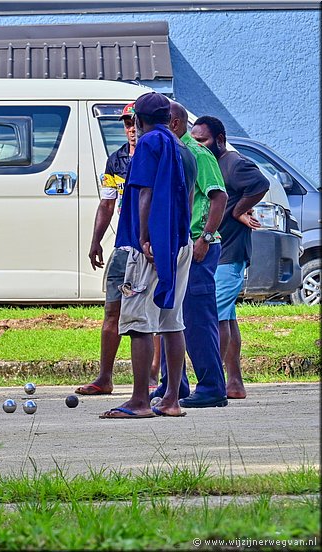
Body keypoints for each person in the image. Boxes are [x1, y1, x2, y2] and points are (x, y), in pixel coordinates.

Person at [100, 92, 195, 419]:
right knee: (171, 320)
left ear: (138, 119)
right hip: (181, 242)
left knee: (139, 321)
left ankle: (140, 400)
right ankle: (171, 399)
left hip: (152, 245)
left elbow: (144, 193)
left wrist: (145, 237)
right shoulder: (184, 149)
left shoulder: (149, 144)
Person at [152, 102, 230, 407]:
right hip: (180, 246)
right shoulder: (173, 152)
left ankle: (211, 387)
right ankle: (174, 385)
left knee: (198, 319)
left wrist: (205, 238)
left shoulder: (196, 153)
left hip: (200, 246)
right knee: (172, 317)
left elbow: (218, 196)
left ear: (173, 123)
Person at [191, 116, 269, 400]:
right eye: (195, 139)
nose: (198, 145)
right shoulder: (209, 163)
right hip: (219, 255)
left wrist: (239, 211)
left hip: (229, 253)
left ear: (220, 139)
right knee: (228, 317)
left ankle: (212, 382)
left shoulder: (233, 163)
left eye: (203, 140)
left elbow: (260, 183)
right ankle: (234, 382)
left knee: (216, 318)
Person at [77, 102, 136, 396]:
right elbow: (107, 203)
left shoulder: (160, 156)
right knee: (112, 310)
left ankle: (152, 378)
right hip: (123, 245)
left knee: (150, 316)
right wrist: (95, 240)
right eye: (127, 123)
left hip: (149, 247)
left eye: (136, 122)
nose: (132, 129)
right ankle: (105, 377)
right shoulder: (117, 161)